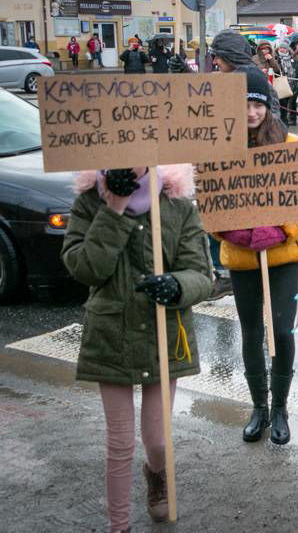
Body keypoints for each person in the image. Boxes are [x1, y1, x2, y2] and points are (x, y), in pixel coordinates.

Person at [62, 164, 213, 533]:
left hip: (164, 335)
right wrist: (112, 208)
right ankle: (119, 525)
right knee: (119, 443)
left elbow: (201, 273)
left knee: (158, 441)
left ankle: (156, 474)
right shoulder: (89, 201)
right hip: (111, 334)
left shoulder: (177, 203)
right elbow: (85, 268)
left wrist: (177, 285)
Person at [211, 70, 298, 445]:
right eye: (244, 104)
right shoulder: (221, 147)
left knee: (282, 331)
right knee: (252, 331)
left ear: (268, 106)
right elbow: (211, 205)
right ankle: (259, 406)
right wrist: (229, 230)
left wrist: (283, 229)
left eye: (257, 104)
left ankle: (281, 406)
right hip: (241, 258)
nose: (251, 112)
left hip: (284, 256)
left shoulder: (292, 144)